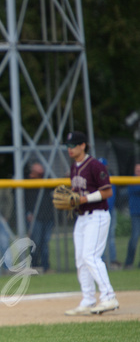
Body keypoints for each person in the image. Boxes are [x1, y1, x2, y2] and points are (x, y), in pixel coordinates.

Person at [63, 131, 119, 316]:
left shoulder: (95, 165)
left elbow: (107, 192)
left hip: (98, 216)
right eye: (68, 146)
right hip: (82, 218)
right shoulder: (74, 167)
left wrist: (83, 199)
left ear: (83, 146)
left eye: (73, 145)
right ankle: (88, 299)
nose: (70, 149)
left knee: (91, 257)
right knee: (81, 259)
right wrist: (73, 200)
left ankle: (109, 296)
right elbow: (76, 193)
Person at [24, 162, 55, 272]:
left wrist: (44, 173)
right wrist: (28, 213)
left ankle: (46, 266)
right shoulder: (27, 182)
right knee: (35, 242)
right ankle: (34, 265)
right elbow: (24, 200)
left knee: (45, 242)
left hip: (47, 217)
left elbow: (54, 185)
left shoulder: (46, 179)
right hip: (34, 218)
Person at [98, 158, 119, 269]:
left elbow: (111, 197)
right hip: (99, 212)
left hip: (108, 212)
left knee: (110, 237)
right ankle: (103, 260)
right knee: (100, 238)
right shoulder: (96, 178)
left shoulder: (109, 177)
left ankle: (112, 261)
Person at [125, 162, 140, 269]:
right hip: (135, 213)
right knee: (134, 238)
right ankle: (128, 263)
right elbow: (134, 190)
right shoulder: (132, 180)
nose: (138, 172)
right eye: (137, 170)